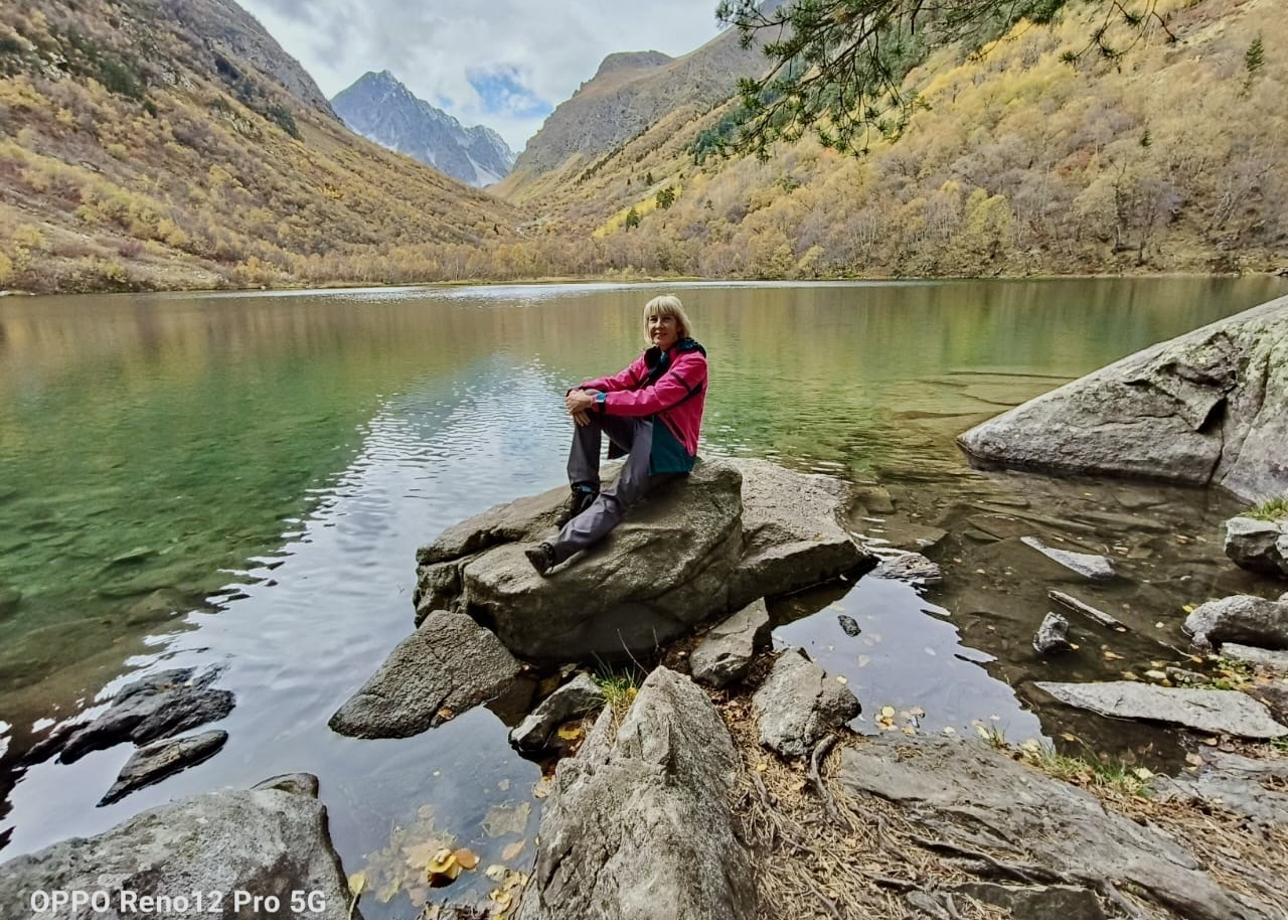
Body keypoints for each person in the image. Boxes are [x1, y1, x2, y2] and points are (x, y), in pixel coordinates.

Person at [525, 295, 708, 575]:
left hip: (668, 446)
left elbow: (652, 398)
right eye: (653, 319)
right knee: (589, 400)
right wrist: (579, 391)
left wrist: (594, 400)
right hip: (644, 430)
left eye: (666, 319)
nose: (658, 325)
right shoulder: (653, 357)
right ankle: (584, 492)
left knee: (618, 495)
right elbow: (617, 382)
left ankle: (554, 551)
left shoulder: (693, 362)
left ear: (680, 325)